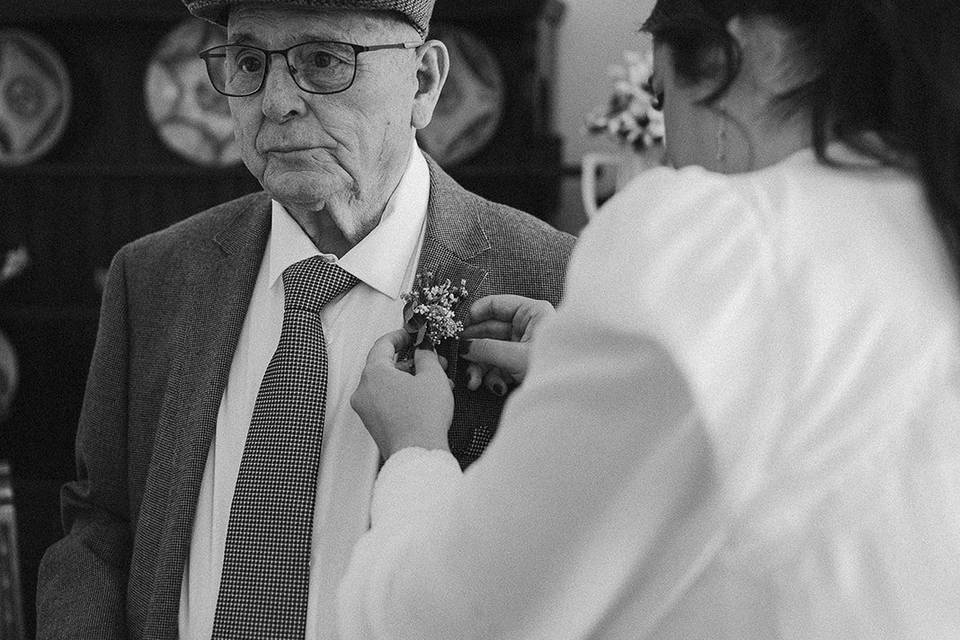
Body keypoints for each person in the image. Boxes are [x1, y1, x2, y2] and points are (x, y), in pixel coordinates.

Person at [340, 0, 960, 638]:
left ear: (750, 55)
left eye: (663, 101)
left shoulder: (720, 251)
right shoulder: (930, 229)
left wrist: (413, 449)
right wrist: (591, 369)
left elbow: (440, 622)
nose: (668, 153)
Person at [35, 0, 574, 637]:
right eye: (248, 61)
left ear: (423, 83)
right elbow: (101, 526)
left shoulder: (559, 292)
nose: (275, 101)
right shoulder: (153, 277)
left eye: (323, 60)